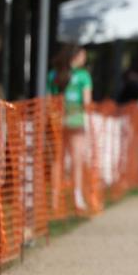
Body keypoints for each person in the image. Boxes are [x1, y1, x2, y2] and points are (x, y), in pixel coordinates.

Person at [48, 44, 93, 213]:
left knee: (57, 160)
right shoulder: (83, 76)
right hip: (76, 122)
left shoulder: (54, 74)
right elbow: (87, 102)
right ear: (76, 56)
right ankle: (77, 197)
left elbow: (50, 99)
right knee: (77, 160)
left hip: (58, 121)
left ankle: (54, 199)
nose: (85, 59)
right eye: (83, 55)